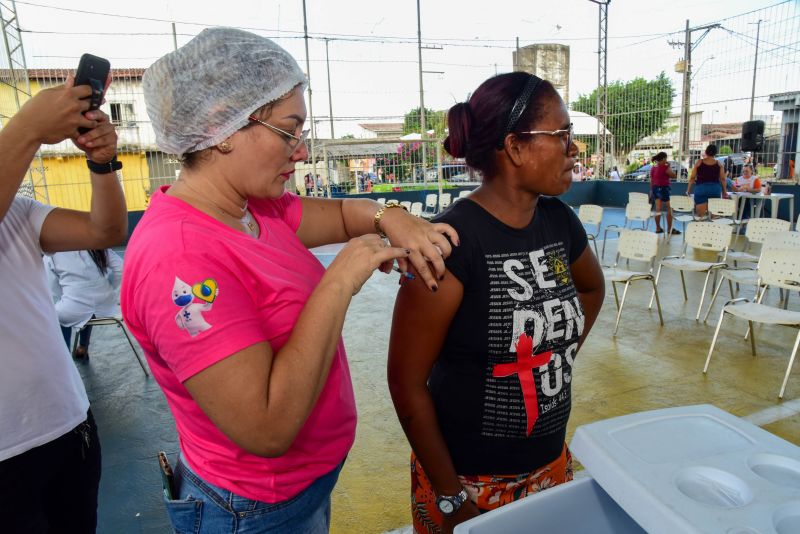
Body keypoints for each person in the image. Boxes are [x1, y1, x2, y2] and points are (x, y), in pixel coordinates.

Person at [120, 27, 457, 533]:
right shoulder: (181, 256)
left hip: (301, 490)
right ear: (222, 127)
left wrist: (391, 216)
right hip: (252, 510)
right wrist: (339, 280)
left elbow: (345, 214)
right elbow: (267, 425)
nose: (301, 152)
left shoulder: (252, 209)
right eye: (288, 129)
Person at [387, 72, 605, 534]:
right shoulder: (451, 245)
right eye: (562, 134)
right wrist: (449, 497)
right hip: (468, 482)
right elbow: (406, 385)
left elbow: (592, 289)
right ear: (516, 146)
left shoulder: (559, 222)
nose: (574, 148)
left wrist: (555, 355)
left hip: (549, 466)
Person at [0, 76, 126, 531]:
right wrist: (29, 128)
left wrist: (102, 164)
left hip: (68, 427)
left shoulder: (14, 210)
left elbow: (104, 231)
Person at [44, 248, 124, 359]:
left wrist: (68, 297)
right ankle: (83, 347)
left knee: (57, 315)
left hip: (75, 308)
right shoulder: (97, 245)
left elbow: (52, 286)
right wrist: (111, 286)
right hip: (107, 304)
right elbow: (121, 268)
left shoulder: (52, 254)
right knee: (86, 311)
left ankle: (65, 358)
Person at [687, 144, 727, 218]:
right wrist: (724, 191)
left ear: (706, 152)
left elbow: (692, 177)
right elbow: (723, 179)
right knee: (714, 216)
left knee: (700, 216)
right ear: (715, 153)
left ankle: (701, 228)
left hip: (701, 189)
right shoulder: (719, 164)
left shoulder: (699, 162)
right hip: (715, 189)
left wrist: (688, 190)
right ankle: (712, 228)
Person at [650, 152, 680, 235]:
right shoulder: (665, 167)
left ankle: (658, 228)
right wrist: (669, 166)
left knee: (658, 209)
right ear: (663, 159)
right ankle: (670, 229)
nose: (666, 160)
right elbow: (673, 176)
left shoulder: (653, 167)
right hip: (664, 189)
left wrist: (652, 190)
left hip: (655, 188)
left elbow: (651, 180)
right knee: (670, 208)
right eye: (666, 158)